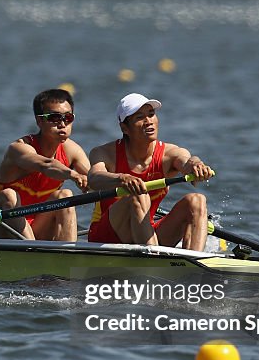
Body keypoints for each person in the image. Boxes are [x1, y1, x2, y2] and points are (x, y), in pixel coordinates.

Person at [87, 93, 214, 250]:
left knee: (196, 200)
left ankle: (195, 264)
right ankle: (154, 259)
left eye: (151, 114)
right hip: (106, 235)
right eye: (140, 117)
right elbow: (93, 178)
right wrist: (122, 178)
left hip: (145, 233)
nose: (148, 122)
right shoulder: (104, 153)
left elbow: (187, 162)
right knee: (138, 195)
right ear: (124, 128)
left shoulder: (170, 153)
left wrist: (196, 165)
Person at [0, 88, 90, 241]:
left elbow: (96, 178)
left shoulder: (72, 150)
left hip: (39, 227)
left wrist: (122, 181)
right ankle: (33, 252)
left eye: (67, 118)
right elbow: (46, 165)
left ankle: (68, 255)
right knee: (9, 195)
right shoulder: (19, 148)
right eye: (54, 118)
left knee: (65, 195)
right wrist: (73, 174)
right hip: (0, 228)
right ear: (39, 121)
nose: (62, 124)